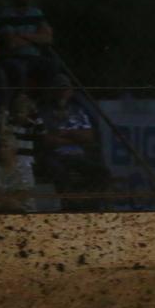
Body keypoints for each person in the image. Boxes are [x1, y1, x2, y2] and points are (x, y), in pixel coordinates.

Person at [39, 74, 111, 208]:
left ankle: (87, 201)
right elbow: (48, 140)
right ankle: (70, 206)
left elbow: (89, 136)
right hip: (55, 156)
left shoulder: (78, 111)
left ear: (71, 91)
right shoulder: (45, 112)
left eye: (66, 88)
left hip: (77, 155)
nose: (63, 92)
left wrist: (66, 133)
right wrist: (76, 138)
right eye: (59, 88)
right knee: (60, 173)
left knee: (102, 172)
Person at [0, 0, 56, 97]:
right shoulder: (7, 15)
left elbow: (48, 38)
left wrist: (22, 35)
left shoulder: (36, 13)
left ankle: (43, 104)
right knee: (19, 69)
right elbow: (11, 43)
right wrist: (36, 37)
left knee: (52, 65)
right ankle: (18, 104)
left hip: (34, 57)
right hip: (14, 57)